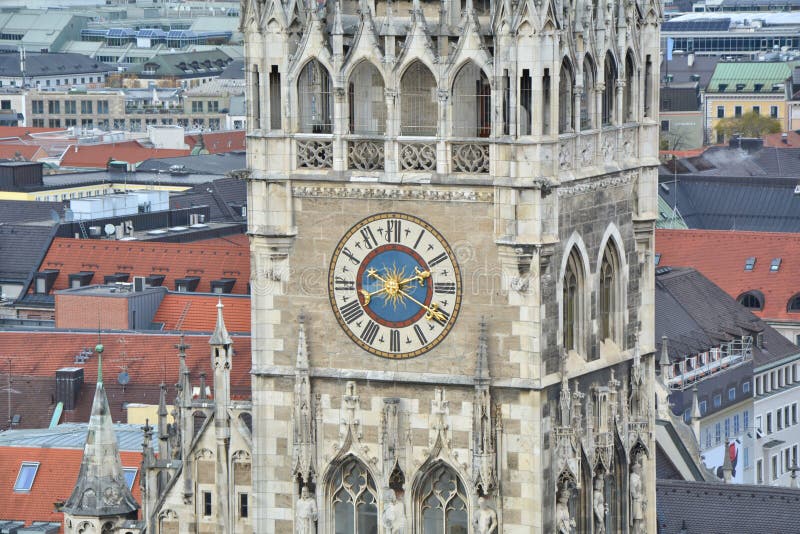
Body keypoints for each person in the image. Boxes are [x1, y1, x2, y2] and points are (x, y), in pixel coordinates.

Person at [630, 462, 644, 534]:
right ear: (635, 469)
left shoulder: (637, 477)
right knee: (636, 518)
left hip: (638, 500)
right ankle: (635, 532)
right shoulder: (633, 477)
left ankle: (638, 531)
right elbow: (632, 490)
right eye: (639, 468)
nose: (640, 470)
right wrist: (637, 496)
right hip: (636, 500)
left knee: (638, 518)